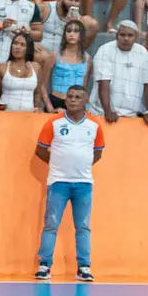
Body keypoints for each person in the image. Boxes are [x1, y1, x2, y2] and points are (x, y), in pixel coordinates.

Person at [34, 85, 104, 282]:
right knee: (51, 225)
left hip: (84, 184)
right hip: (58, 182)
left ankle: (84, 267)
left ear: (85, 102)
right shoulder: (53, 122)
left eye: (78, 97)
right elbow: (40, 151)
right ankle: (44, 265)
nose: (73, 100)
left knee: (83, 227)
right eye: (70, 97)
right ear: (65, 100)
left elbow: (98, 153)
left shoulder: (94, 125)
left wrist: (80, 166)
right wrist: (58, 165)